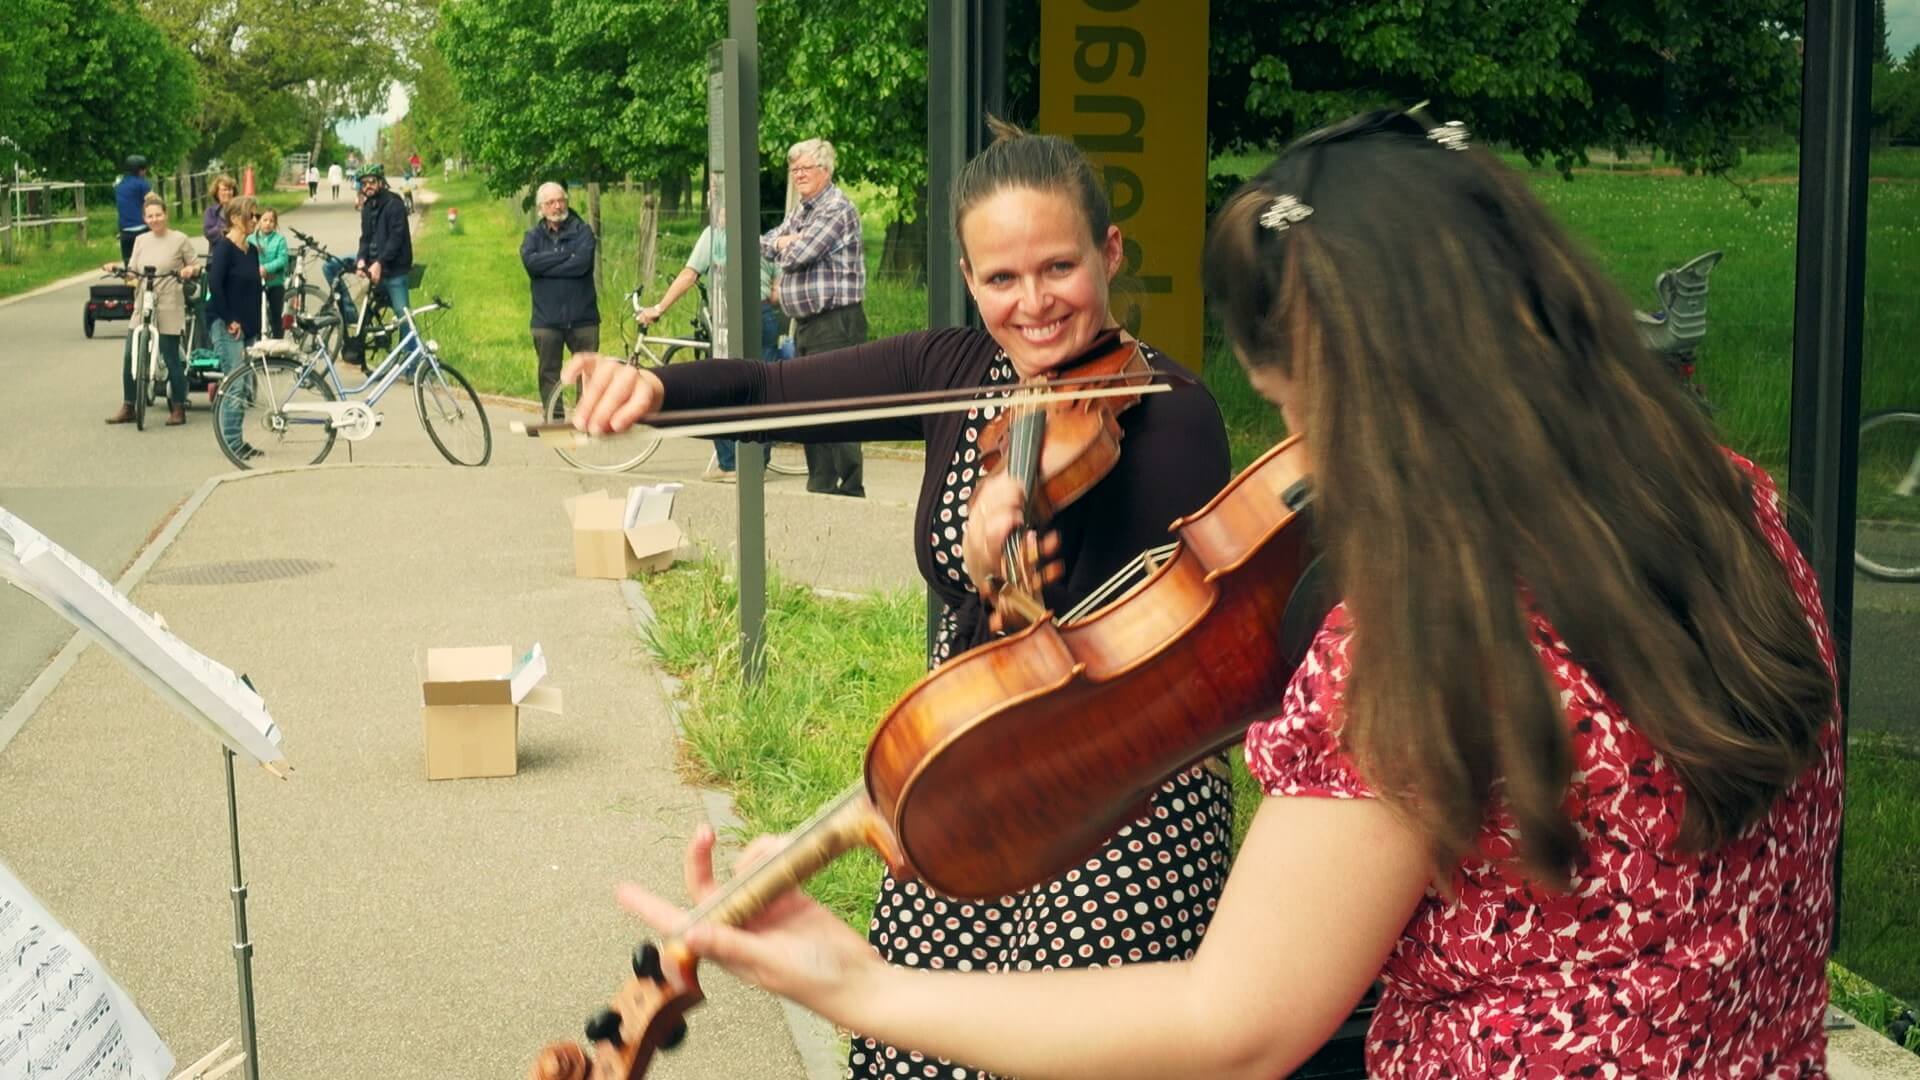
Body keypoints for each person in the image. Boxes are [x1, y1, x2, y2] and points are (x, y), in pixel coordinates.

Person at [617, 108, 1844, 1078]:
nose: (1316, 461)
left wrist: (860, 988)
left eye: (1308, 415)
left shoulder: (1428, 638)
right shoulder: (1739, 509)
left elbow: (1235, 1021)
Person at [566, 121, 1237, 1080]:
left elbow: (1149, 666)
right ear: (969, 278)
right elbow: (769, 387)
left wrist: (1012, 561)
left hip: (1127, 801)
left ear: (1111, 252)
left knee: (1052, 1058)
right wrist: (654, 387)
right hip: (963, 780)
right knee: (905, 1058)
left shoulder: (1172, 412)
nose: (1034, 304)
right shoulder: (955, 372)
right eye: (1001, 279)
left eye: (1059, 267)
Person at [640, 205, 783, 482]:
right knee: (762, 387)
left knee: (723, 387)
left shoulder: (713, 235)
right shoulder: (761, 238)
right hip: (764, 314)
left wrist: (658, 308)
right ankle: (757, 462)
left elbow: (689, 275)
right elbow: (777, 289)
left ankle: (730, 464)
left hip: (731, 316)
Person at [761, 138, 867, 497]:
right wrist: (782, 241)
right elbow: (765, 243)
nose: (799, 175)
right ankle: (820, 485)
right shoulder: (802, 211)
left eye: (805, 168)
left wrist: (787, 244)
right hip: (806, 324)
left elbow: (799, 255)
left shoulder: (837, 208)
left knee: (837, 405)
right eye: (794, 169)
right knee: (807, 405)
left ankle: (849, 487)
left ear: (825, 170)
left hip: (836, 322)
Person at [102, 194, 198, 426]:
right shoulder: (141, 241)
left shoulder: (180, 239)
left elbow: (195, 265)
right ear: (145, 218)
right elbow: (133, 272)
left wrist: (188, 271)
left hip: (168, 300)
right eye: (150, 216)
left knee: (170, 354)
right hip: (143, 300)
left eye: (158, 215)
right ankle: (129, 406)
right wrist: (119, 270)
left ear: (166, 215)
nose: (155, 219)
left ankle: (178, 407)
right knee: (130, 354)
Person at [521, 182, 600, 413]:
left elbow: (582, 264)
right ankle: (555, 422)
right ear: (541, 208)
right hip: (546, 319)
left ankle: (586, 419)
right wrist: (567, 254)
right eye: (551, 203)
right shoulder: (532, 237)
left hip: (583, 317)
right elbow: (531, 264)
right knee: (549, 374)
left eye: (561, 200)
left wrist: (547, 265)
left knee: (588, 373)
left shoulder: (583, 231)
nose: (557, 206)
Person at [208, 196, 264, 458]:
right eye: (250, 216)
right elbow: (215, 287)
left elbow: (255, 291)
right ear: (234, 219)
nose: (255, 220)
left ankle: (237, 439)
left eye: (256, 215)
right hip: (225, 323)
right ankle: (232, 442)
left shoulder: (251, 251)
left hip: (248, 325)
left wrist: (256, 328)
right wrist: (230, 319)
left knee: (244, 386)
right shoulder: (223, 248)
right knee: (236, 384)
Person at [353, 163, 414, 346]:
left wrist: (379, 263)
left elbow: (396, 239)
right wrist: (361, 259)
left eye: (371, 182)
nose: (367, 187)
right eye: (363, 184)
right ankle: (351, 320)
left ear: (381, 182)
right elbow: (365, 238)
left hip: (394, 268)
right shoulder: (367, 207)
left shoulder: (394, 204)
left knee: (403, 316)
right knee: (332, 267)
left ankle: (412, 364)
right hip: (373, 264)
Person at [251, 208, 289, 340]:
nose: (267, 223)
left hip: (275, 282)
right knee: (255, 314)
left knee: (276, 315)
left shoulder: (280, 240)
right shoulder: (251, 239)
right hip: (256, 282)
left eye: (271, 221)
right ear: (259, 222)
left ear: (275, 224)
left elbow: (282, 260)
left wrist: (266, 268)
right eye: (265, 220)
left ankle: (278, 341)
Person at [113, 155, 153, 264]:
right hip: (142, 229)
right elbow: (152, 204)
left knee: (129, 265)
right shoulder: (143, 184)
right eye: (144, 170)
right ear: (140, 171)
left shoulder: (119, 185)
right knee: (147, 264)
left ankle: (131, 280)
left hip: (125, 231)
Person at [201, 174, 236, 245]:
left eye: (230, 189)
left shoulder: (240, 209)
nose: (228, 192)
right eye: (224, 190)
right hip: (218, 250)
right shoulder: (211, 211)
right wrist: (226, 228)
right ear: (217, 192)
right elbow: (209, 234)